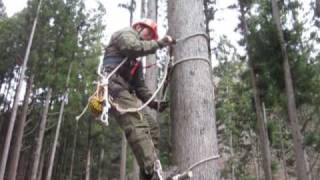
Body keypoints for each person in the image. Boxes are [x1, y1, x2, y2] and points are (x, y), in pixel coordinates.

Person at [103, 18, 175, 180]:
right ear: (138, 27)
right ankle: (153, 171)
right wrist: (160, 43)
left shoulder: (135, 62)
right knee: (138, 124)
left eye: (151, 36)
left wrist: (154, 103)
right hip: (114, 87)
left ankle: (148, 174)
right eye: (147, 33)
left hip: (124, 92)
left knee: (152, 128)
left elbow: (140, 86)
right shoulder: (125, 33)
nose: (148, 37)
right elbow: (132, 47)